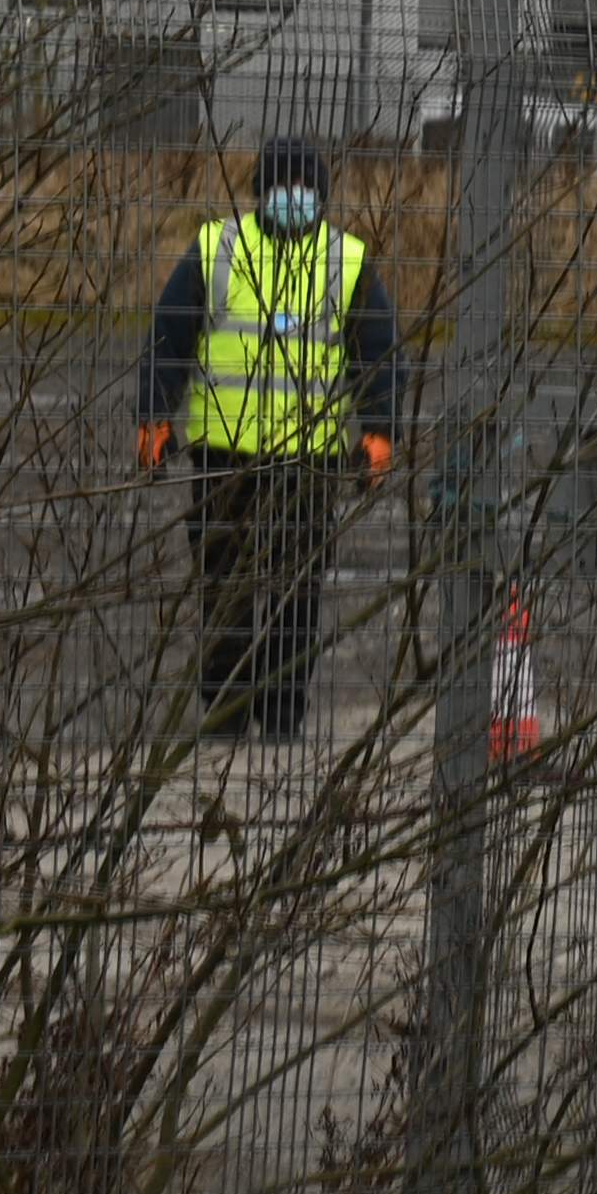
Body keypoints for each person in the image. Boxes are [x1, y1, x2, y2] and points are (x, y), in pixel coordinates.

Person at [137, 139, 403, 742]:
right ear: (260, 191)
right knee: (223, 589)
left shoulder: (347, 261)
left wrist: (379, 432)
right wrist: (154, 416)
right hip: (223, 457)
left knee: (295, 595)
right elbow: (168, 337)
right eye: (282, 186)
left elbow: (379, 356)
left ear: (322, 196)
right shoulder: (217, 249)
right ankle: (226, 713)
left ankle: (283, 715)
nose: (293, 197)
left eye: (305, 188)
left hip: (307, 464)